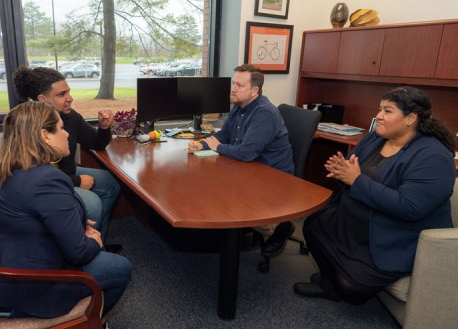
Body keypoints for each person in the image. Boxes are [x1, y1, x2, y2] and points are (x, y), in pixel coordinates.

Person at [0, 102, 132, 326]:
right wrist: (95, 239)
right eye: (61, 128)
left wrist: (78, 223)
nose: (67, 134)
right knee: (121, 268)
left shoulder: (13, 169)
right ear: (45, 135)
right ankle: (86, 325)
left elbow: (38, 215)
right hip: (24, 286)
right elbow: (78, 253)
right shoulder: (47, 179)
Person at [293, 86, 456, 304]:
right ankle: (329, 282)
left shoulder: (433, 156)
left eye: (387, 111)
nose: (378, 116)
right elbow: (352, 171)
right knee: (313, 225)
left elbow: (409, 207)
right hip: (354, 218)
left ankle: (340, 280)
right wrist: (341, 173)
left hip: (393, 235)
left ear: (411, 118)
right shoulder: (374, 139)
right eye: (379, 109)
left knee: (352, 290)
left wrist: (356, 180)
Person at [187, 64, 295, 255]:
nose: (233, 89)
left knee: (218, 190)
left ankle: (278, 225)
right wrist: (202, 144)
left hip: (271, 177)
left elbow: (246, 153)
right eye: (234, 84)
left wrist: (216, 147)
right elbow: (225, 135)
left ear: (255, 91)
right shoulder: (239, 106)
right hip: (247, 168)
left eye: (240, 85)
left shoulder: (264, 113)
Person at [12, 66, 122, 253]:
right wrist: (77, 181)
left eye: (68, 92)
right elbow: (35, 178)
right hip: (48, 186)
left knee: (111, 183)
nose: (70, 98)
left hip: (64, 174)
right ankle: (79, 248)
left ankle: (97, 243)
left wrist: (104, 128)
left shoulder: (70, 117)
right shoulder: (29, 126)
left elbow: (96, 143)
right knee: (93, 202)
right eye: (62, 94)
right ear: (42, 99)